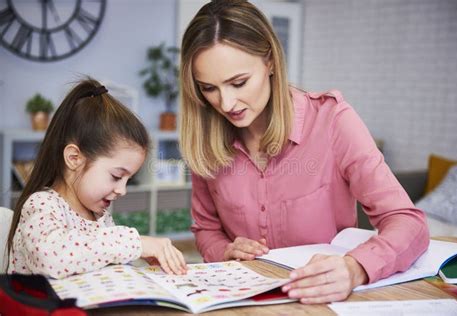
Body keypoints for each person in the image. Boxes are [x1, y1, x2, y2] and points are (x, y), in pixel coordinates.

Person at [179, 0, 429, 304]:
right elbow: (205, 228)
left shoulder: (333, 121)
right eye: (208, 88)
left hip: (322, 303)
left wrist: (355, 268)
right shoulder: (204, 138)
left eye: (239, 82)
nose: (227, 103)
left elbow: (408, 221)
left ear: (270, 61)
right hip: (241, 302)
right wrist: (224, 250)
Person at [7, 78, 187, 279]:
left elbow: (104, 263)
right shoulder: (42, 205)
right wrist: (136, 243)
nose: (122, 190)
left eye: (128, 179)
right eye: (117, 176)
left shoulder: (100, 215)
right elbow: (51, 259)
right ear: (74, 158)